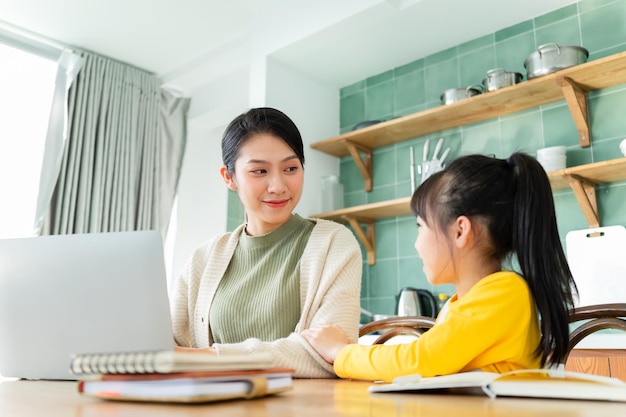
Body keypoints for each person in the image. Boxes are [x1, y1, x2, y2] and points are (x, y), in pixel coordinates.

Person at [302, 152, 577, 383]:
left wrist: (342, 352)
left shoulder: (505, 293)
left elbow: (421, 359)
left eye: (420, 226)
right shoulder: (467, 302)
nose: (416, 244)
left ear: (460, 231)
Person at [169, 107, 362, 378]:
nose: (278, 185)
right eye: (259, 171)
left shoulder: (334, 243)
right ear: (229, 177)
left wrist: (208, 357)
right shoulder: (204, 258)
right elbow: (166, 344)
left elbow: (327, 356)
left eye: (291, 168)